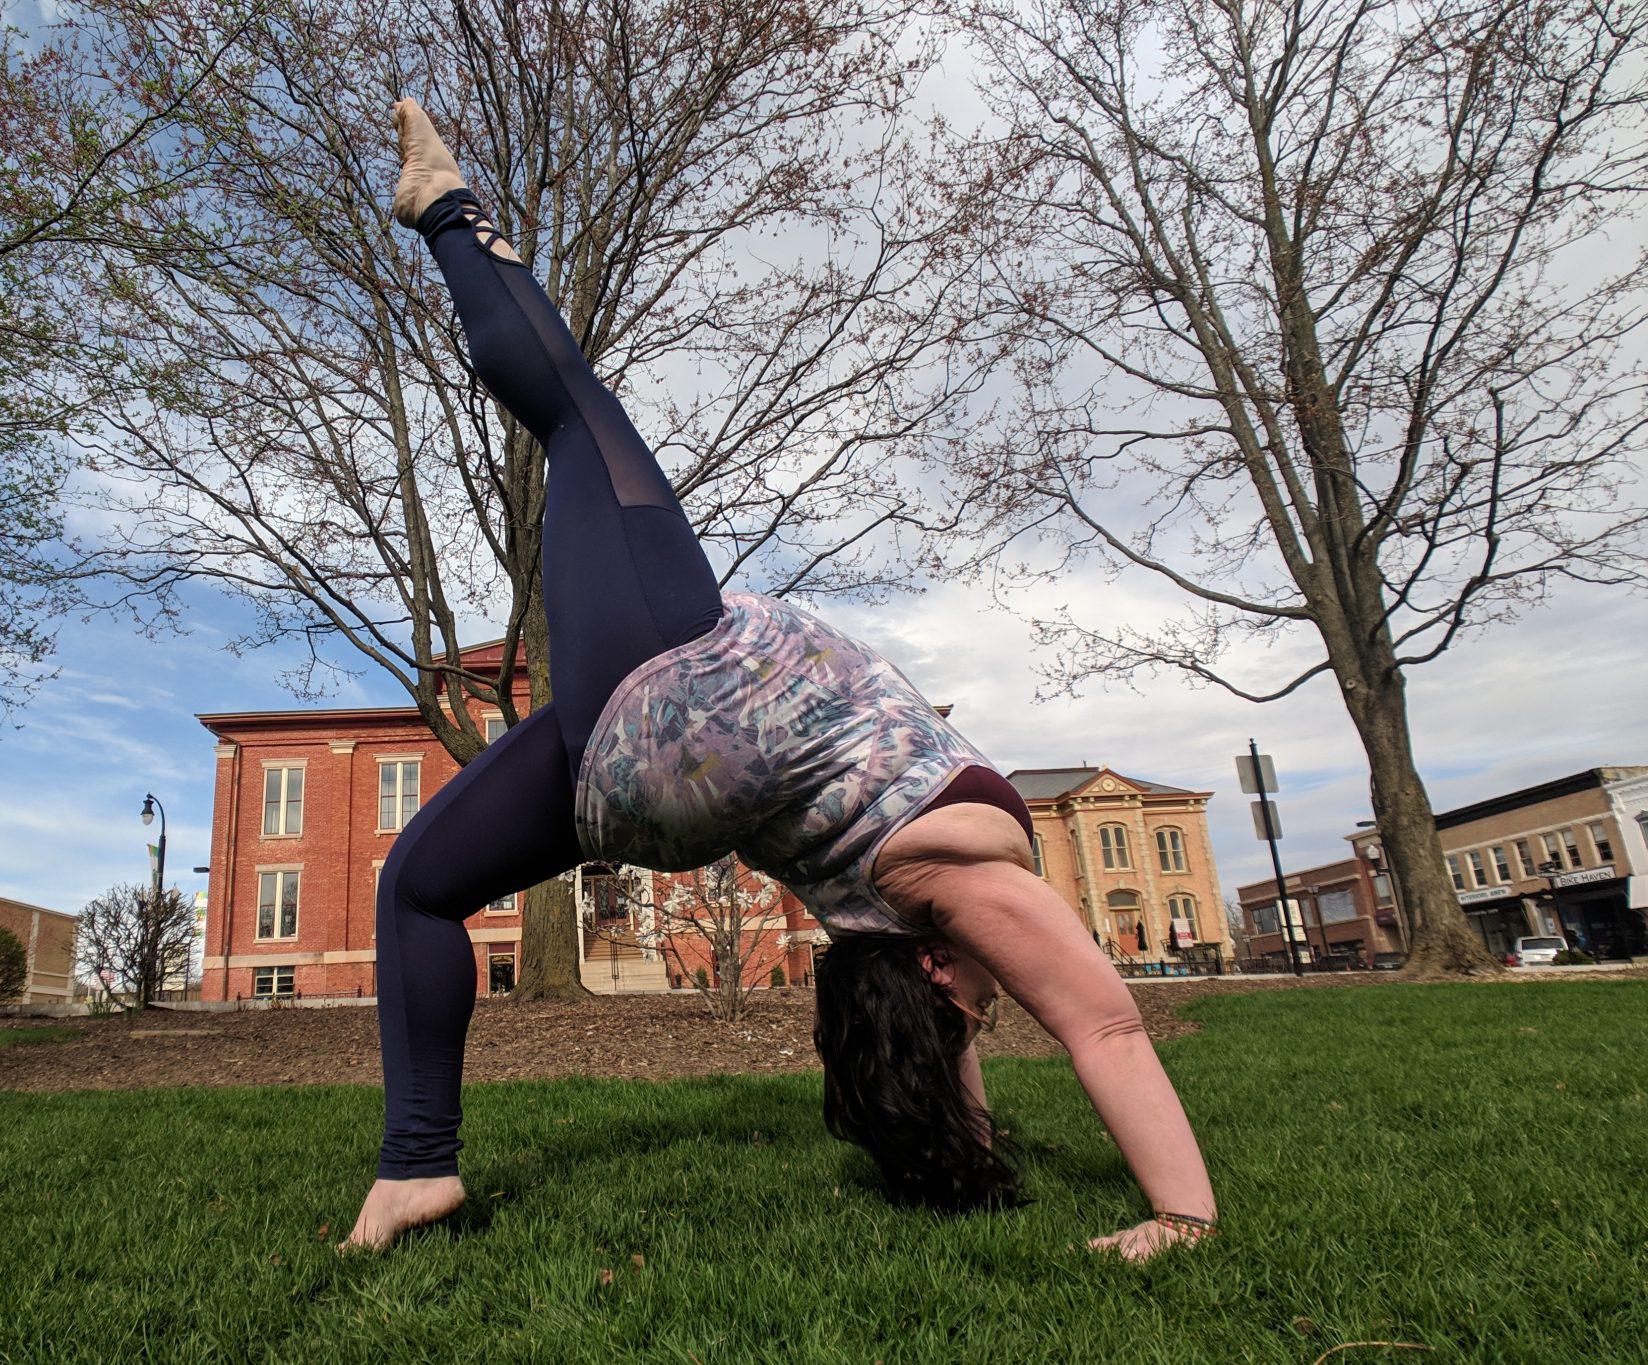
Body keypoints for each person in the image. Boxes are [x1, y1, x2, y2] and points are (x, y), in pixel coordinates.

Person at [343, 99, 1219, 1263]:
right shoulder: (899, 931)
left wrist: (1180, 1215)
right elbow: (994, 1022)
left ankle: (446, 212)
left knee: (574, 417)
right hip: (651, 783)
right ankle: (412, 1179)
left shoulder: (952, 893)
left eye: (977, 1000)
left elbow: (1102, 1025)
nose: (997, 997)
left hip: (698, 691)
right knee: (418, 881)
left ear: (935, 968)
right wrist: (956, 1129)